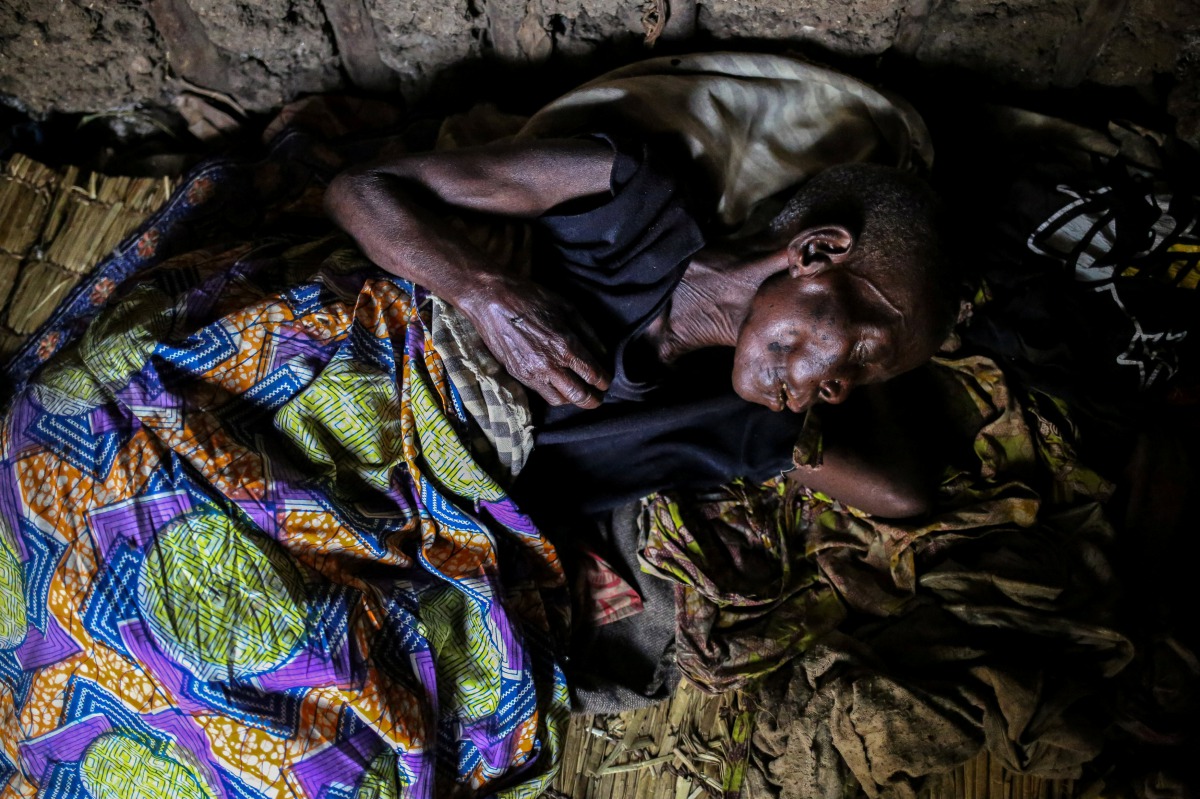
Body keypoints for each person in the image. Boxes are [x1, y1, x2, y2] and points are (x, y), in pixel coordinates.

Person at [325, 132, 960, 521]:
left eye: (860, 382)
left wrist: (884, 354)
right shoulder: (629, 203)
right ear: (815, 254)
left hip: (387, 509)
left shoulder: (740, 418)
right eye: (864, 349)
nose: (840, 392)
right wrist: (485, 293)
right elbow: (360, 189)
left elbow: (902, 494)